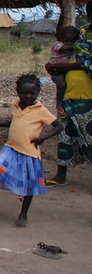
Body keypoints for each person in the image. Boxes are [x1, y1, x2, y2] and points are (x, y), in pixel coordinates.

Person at [0, 75, 63, 227]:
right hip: (11, 148)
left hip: (29, 152)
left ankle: (23, 214)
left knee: (29, 186)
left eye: (32, 93)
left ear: (38, 93)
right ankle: (14, 186)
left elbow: (59, 126)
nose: (28, 96)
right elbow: (14, 122)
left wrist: (43, 138)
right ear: (17, 92)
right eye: (24, 93)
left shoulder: (41, 110)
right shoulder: (16, 105)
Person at [45, 20, 92, 186]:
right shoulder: (80, 36)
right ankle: (61, 175)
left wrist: (64, 67)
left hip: (88, 97)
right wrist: (55, 67)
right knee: (65, 136)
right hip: (69, 95)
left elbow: (86, 62)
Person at [45, 25, 79, 117]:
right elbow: (64, 48)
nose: (69, 43)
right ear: (60, 38)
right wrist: (76, 45)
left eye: (72, 41)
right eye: (67, 40)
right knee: (62, 85)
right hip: (56, 70)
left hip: (64, 71)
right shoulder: (57, 45)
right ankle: (59, 104)